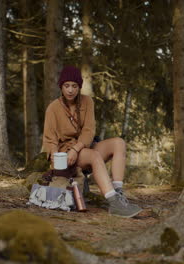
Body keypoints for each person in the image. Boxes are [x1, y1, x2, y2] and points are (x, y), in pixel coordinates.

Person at [42, 65, 142, 218]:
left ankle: (119, 195)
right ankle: (114, 203)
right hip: (66, 155)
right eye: (66, 86)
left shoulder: (87, 102)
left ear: (79, 87)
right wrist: (57, 158)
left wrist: (77, 148)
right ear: (61, 86)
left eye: (74, 86)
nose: (70, 90)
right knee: (94, 155)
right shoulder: (53, 108)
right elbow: (50, 138)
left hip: (84, 147)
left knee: (119, 143)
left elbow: (89, 130)